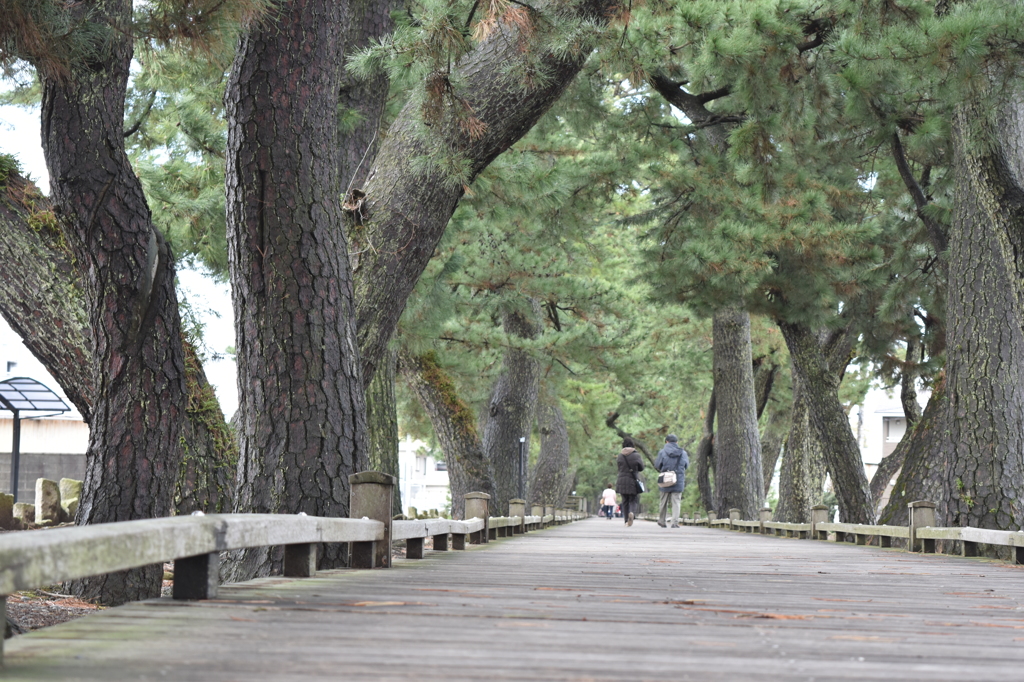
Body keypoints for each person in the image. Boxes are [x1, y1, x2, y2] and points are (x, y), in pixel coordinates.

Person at [654, 434, 689, 528]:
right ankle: (674, 522)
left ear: (666, 442)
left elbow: (657, 465)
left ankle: (662, 521)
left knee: (663, 501)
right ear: (677, 442)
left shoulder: (662, 452)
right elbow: (686, 465)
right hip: (678, 479)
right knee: (676, 502)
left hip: (665, 479)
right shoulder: (683, 453)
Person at [615, 437, 645, 527]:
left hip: (621, 480)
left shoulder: (620, 456)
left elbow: (619, 468)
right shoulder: (636, 455)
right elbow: (641, 468)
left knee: (625, 501)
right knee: (633, 499)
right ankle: (631, 513)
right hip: (632, 479)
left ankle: (625, 521)